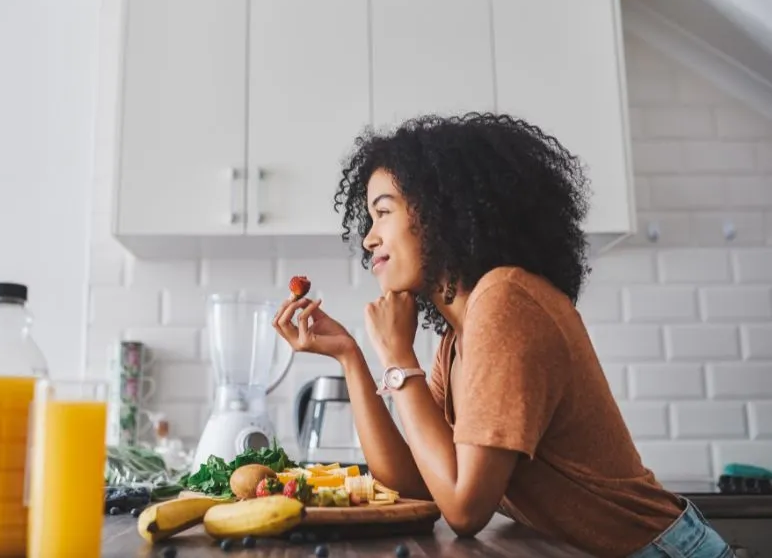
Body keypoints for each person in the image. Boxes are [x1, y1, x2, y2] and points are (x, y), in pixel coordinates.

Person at [271, 113, 734, 558]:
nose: (369, 238)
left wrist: (397, 356)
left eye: (383, 212)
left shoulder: (505, 300)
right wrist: (351, 358)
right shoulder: (458, 337)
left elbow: (464, 509)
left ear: (439, 212)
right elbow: (413, 481)